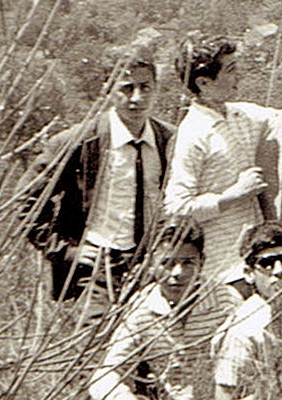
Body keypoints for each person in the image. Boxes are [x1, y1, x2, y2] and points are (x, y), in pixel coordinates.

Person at [22, 56, 175, 308]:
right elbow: (26, 201)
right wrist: (66, 251)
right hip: (94, 267)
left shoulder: (169, 140)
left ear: (156, 88)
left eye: (145, 87)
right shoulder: (78, 142)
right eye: (126, 88)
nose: (136, 98)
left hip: (151, 266)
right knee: (94, 339)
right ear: (109, 89)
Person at [85, 221, 231, 400]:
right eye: (167, 262)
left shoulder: (225, 301)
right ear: (152, 263)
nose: (177, 273)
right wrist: (119, 396)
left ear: (202, 262)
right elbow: (104, 372)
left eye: (188, 263)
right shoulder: (142, 307)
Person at [165, 33, 272, 287]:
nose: (239, 76)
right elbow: (177, 208)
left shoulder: (241, 115)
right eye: (231, 70)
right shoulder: (192, 133)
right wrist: (232, 196)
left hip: (254, 262)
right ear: (204, 83)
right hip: (219, 270)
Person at [207, 222, 282, 400]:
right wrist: (280, 390)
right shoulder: (244, 330)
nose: (279, 271)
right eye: (267, 263)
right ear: (249, 273)